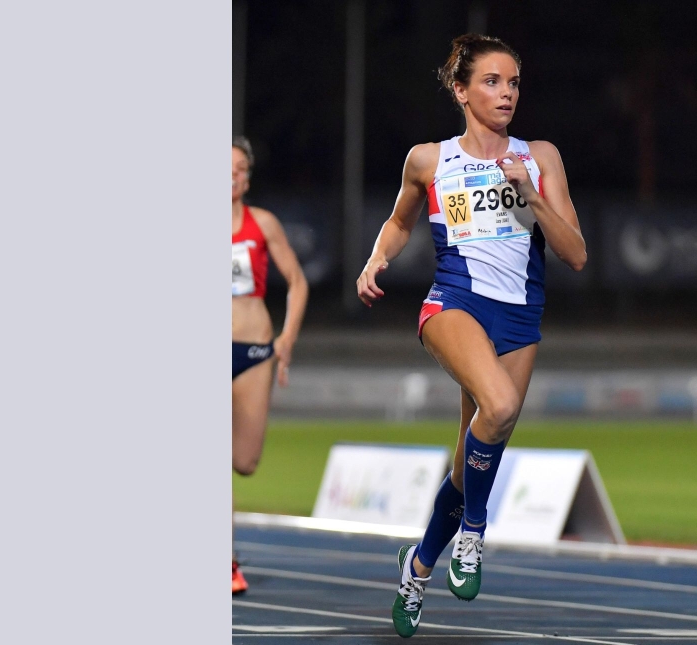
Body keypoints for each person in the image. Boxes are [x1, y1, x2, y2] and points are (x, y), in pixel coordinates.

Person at [356, 34, 587, 637]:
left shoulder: (540, 156)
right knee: (501, 406)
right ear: (461, 91)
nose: (506, 93)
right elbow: (399, 220)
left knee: (469, 462)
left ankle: (418, 565)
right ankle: (475, 532)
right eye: (491, 81)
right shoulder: (428, 160)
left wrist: (530, 193)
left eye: (513, 83)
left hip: (521, 317)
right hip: (455, 304)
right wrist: (376, 259)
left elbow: (576, 254)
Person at [231, 136, 309, 594]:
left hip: (253, 351)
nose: (231, 176)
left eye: (239, 169)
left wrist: (287, 339)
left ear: (248, 177)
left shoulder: (262, 223)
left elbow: (297, 282)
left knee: (244, 461)